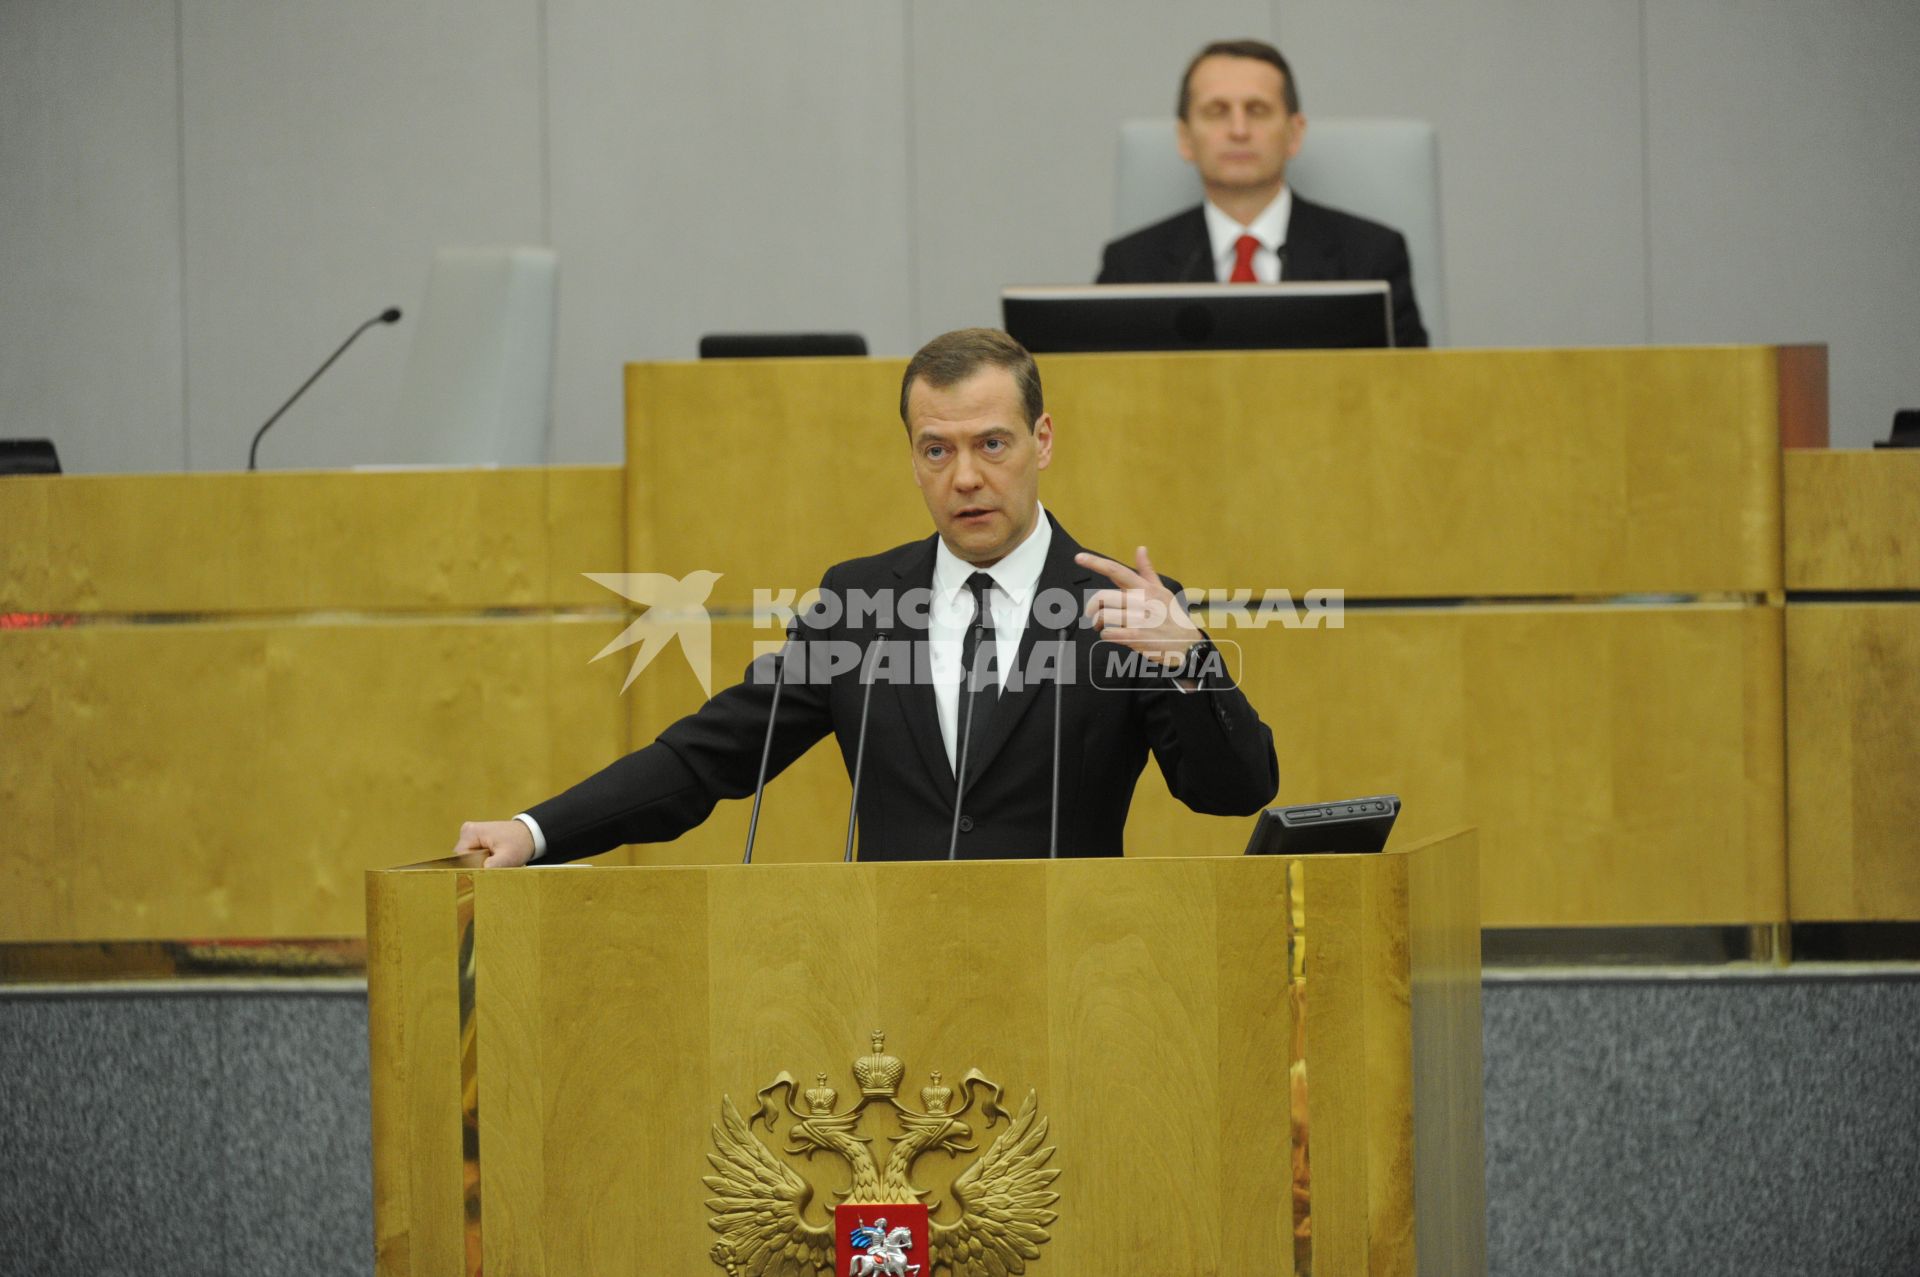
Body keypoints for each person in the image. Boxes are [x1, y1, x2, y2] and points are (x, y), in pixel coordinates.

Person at [453, 328, 1278, 867]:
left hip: (1071, 978)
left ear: (1043, 440)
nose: (965, 477)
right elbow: (708, 756)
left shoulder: (1124, 605)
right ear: (912, 456)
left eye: (992, 443)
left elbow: (1232, 791)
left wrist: (1192, 661)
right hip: (884, 988)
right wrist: (535, 832)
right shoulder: (860, 603)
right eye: (935, 449)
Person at [1097, 39, 1430, 347]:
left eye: (1257, 110)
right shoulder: (1131, 266)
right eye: (1217, 111)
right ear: (1185, 138)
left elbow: (1411, 388)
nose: (1238, 130)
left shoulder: (1371, 256)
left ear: (1294, 133)